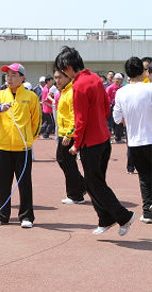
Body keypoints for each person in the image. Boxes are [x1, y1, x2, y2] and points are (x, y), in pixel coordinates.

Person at [55, 46, 135, 236]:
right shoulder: (95, 79)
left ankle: (123, 216)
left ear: (67, 67)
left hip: (91, 142)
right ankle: (105, 219)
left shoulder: (79, 86)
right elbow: (105, 108)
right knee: (95, 182)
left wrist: (76, 144)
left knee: (94, 184)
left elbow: (80, 120)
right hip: (103, 138)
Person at [0, 63, 41, 228]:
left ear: (22, 77)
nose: (9, 78)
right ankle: (2, 215)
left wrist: (29, 138)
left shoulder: (31, 96)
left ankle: (26, 216)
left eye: (13, 75)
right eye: (7, 75)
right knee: (3, 183)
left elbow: (36, 121)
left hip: (23, 148)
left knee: (24, 183)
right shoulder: (0, 95)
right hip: (3, 146)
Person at [113, 57, 152, 224]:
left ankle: (148, 212)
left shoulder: (121, 92)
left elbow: (116, 118)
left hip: (134, 141)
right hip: (150, 138)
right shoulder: (150, 88)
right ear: (143, 71)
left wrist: (129, 119)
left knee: (144, 176)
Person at [54, 69, 86, 205]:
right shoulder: (64, 92)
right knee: (63, 161)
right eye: (55, 78)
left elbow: (75, 116)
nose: (57, 81)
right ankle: (83, 186)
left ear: (68, 77)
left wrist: (69, 134)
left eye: (60, 77)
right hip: (63, 132)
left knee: (67, 163)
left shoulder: (71, 92)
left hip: (68, 134)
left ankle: (75, 195)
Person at [106, 73, 124, 143]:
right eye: (116, 79)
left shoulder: (122, 88)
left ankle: (118, 138)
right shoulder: (110, 88)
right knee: (110, 122)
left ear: (121, 80)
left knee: (119, 122)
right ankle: (108, 138)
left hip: (120, 107)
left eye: (119, 79)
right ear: (113, 79)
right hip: (111, 106)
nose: (117, 80)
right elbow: (107, 97)